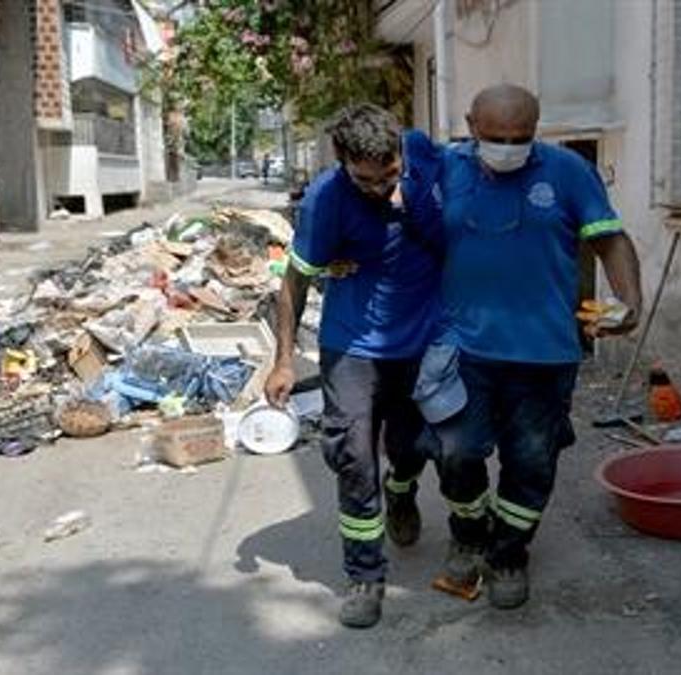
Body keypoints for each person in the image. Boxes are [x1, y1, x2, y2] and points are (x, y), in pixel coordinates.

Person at [420, 83, 643, 610]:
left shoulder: (568, 172)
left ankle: (508, 553)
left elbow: (610, 238)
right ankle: (469, 533)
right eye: (495, 137)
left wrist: (630, 302)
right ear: (471, 126)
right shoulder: (444, 169)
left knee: (532, 462)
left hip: (544, 353)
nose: (507, 148)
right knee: (455, 453)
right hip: (460, 349)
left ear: (536, 131)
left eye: (520, 137)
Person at [264, 103, 444, 629]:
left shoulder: (425, 157)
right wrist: (282, 362)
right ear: (341, 161)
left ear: (401, 152)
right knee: (353, 456)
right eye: (366, 180)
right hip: (352, 344)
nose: (381, 188)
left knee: (411, 446)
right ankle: (365, 575)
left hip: (420, 339)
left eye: (390, 175)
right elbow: (294, 281)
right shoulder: (326, 199)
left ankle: (402, 488)